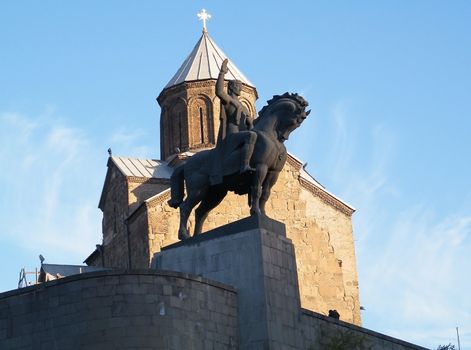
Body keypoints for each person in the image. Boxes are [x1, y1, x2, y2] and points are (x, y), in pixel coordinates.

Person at [209, 59, 257, 185]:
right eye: (237, 85)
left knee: (255, 137)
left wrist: (251, 123)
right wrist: (222, 73)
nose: (239, 88)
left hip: (242, 135)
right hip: (231, 134)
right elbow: (219, 91)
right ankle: (244, 165)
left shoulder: (245, 108)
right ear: (231, 87)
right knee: (251, 136)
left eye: (240, 86)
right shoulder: (229, 101)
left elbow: (250, 127)